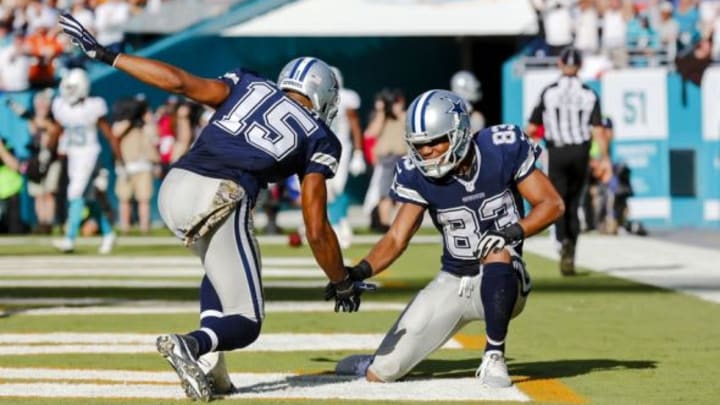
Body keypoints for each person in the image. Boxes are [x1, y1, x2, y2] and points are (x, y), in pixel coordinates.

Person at [59, 13, 372, 401]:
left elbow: (179, 82)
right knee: (247, 319)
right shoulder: (320, 137)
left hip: (174, 187)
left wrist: (107, 55)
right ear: (323, 95)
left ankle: (213, 367)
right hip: (221, 195)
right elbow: (315, 225)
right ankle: (190, 344)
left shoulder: (249, 84)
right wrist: (341, 280)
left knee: (219, 269)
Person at [335, 90, 564, 387]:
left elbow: (552, 204)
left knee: (496, 249)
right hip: (453, 280)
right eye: (419, 145)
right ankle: (376, 361)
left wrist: (510, 233)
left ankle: (494, 355)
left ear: (459, 132)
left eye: (433, 141)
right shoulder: (415, 173)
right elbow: (396, 237)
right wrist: (357, 272)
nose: (426, 151)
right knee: (382, 373)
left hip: (506, 277)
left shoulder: (500, 148)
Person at [526, 46, 605, 276]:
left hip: (557, 153)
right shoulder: (589, 94)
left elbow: (531, 127)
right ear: (579, 66)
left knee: (557, 202)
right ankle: (572, 246)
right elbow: (598, 130)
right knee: (574, 203)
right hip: (580, 152)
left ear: (560, 64)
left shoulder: (549, 92)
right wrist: (604, 159)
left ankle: (563, 244)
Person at [51, 68, 121, 254]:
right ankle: (108, 234)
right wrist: (50, 151)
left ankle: (69, 239)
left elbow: (108, 133)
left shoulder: (93, 106)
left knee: (74, 193)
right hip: (73, 156)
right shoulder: (61, 106)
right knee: (88, 199)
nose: (69, 91)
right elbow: (56, 132)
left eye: (72, 87)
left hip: (89, 155)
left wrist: (119, 157)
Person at [328, 66, 365, 248]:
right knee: (328, 191)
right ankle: (336, 224)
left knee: (339, 188)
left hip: (342, 149)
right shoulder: (316, 98)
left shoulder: (345, 98)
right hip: (324, 148)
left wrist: (359, 153)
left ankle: (340, 223)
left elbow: (355, 126)